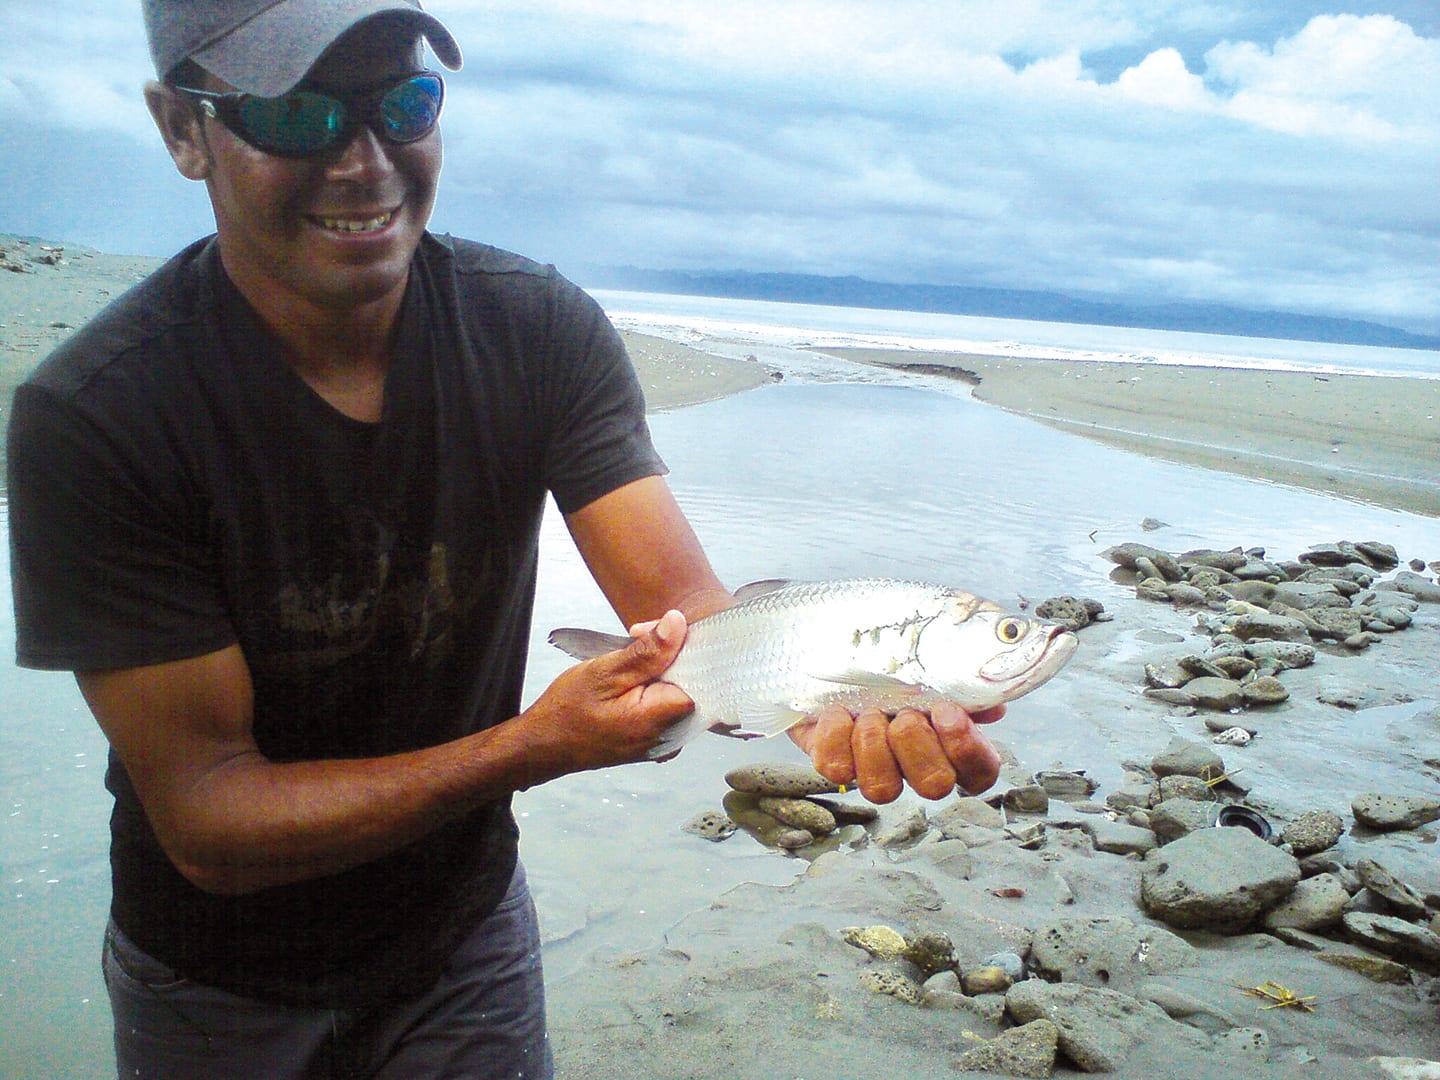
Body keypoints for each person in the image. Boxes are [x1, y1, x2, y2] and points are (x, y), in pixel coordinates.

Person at [5, 2, 1003, 1076]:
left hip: (460, 947)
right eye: (296, 115)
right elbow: (208, 820)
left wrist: (831, 693)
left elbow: (690, 625)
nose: (365, 161)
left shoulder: (533, 330)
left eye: (404, 103)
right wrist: (529, 748)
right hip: (213, 986)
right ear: (181, 129)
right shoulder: (100, 418)